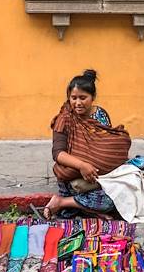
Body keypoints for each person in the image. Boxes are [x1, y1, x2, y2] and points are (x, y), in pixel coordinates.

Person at [44, 69, 131, 219]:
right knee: (108, 202)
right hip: (74, 179)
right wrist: (82, 165)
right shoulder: (65, 119)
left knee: (125, 194)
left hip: (99, 178)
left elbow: (107, 145)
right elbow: (58, 153)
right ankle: (63, 201)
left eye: (83, 98)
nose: (77, 103)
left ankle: (82, 207)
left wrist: (108, 166)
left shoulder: (100, 115)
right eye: (73, 98)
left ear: (93, 97)